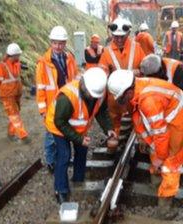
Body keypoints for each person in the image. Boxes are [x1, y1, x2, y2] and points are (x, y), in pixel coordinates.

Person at [107, 69, 183, 218]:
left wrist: (161, 157)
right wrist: (144, 139)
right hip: (169, 117)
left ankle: (164, 209)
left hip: (178, 123)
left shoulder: (149, 100)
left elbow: (160, 133)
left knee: (170, 165)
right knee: (157, 151)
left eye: (122, 98)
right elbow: (138, 118)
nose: (122, 102)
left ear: (128, 91)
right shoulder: (138, 89)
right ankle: (157, 184)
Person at [45, 67, 116, 204]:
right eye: (91, 94)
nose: (93, 97)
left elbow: (101, 111)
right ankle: (61, 190)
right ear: (83, 86)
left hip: (79, 127)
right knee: (64, 155)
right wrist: (79, 139)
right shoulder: (67, 97)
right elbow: (60, 122)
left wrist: (108, 128)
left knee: (82, 151)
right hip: (58, 127)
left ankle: (78, 179)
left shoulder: (99, 93)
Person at [35, 26, 78, 173]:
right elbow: (40, 88)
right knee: (51, 136)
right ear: (50, 43)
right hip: (51, 106)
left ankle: (65, 158)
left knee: (66, 131)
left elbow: (74, 80)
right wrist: (43, 110)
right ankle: (51, 161)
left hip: (67, 102)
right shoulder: (43, 63)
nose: (58, 46)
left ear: (65, 43)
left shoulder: (70, 59)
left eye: (61, 43)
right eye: (55, 43)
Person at [99, 17, 145, 143]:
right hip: (115, 97)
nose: (119, 40)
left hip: (133, 95)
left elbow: (145, 69)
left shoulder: (137, 48)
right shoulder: (107, 51)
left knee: (137, 119)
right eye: (116, 36)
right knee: (115, 121)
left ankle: (138, 141)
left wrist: (138, 72)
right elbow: (102, 72)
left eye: (122, 37)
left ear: (128, 33)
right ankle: (115, 140)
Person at [0, 43, 30, 144]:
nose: (19, 57)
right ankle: (23, 136)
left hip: (16, 94)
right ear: (13, 55)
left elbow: (16, 78)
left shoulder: (16, 64)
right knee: (14, 115)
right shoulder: (1, 66)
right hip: (7, 96)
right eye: (18, 55)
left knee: (15, 114)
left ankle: (10, 133)